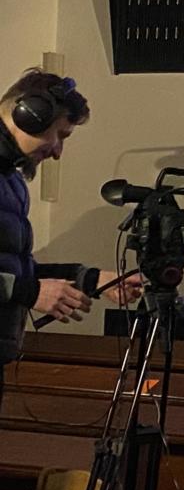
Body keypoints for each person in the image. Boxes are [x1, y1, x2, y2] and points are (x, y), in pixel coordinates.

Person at [0, 71, 141, 378]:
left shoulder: (11, 181)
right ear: (31, 116)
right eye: (60, 135)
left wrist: (92, 279)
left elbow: (14, 269)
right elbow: (21, 285)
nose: (57, 152)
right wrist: (29, 292)